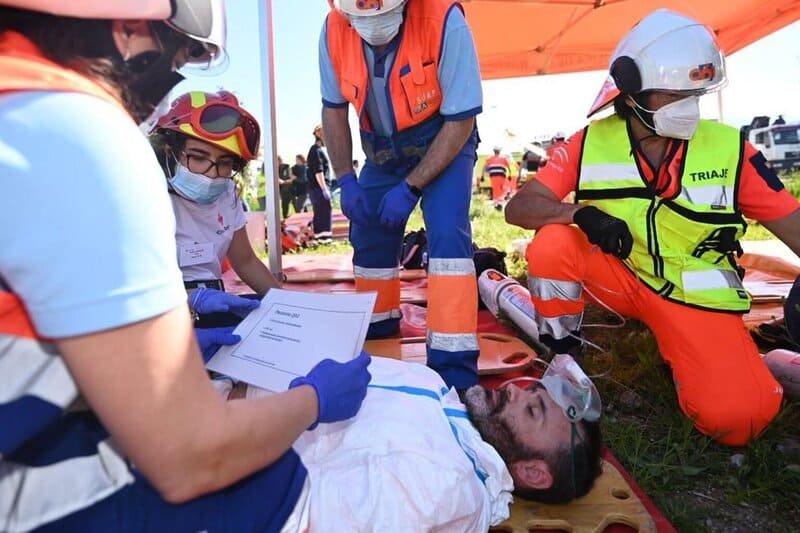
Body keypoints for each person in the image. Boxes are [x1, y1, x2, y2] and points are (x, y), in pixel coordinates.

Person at [0, 3, 372, 531]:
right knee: (272, 483)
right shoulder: (82, 136)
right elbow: (192, 456)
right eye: (177, 60)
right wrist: (313, 400)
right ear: (130, 26)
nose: (212, 174)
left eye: (224, 165)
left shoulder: (20, 102)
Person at [506, 9, 800, 447]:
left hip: (690, 293)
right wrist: (579, 214)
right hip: (616, 278)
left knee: (741, 419)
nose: (690, 106)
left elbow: (794, 226)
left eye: (696, 93)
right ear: (631, 91)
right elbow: (521, 207)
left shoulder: (730, 150)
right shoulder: (589, 142)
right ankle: (564, 354)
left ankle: (707, 357)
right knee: (552, 243)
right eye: (675, 94)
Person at [320, 0, 483, 390]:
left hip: (444, 140)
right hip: (381, 150)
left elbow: (461, 120)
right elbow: (333, 110)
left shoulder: (445, 20)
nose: (374, 26)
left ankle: (454, 369)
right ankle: (378, 332)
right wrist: (345, 178)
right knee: (368, 233)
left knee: (448, 239)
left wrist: (411, 187)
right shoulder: (333, 30)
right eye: (363, 17)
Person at [250, 353, 603, 530]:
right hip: (233, 377)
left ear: (533, 473)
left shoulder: (446, 490)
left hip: (227, 443)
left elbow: (288, 515)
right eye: (532, 391)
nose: (514, 391)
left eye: (532, 411)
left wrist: (299, 405)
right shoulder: (432, 384)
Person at [150, 90, 283, 309]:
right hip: (161, 312)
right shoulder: (146, 194)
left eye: (225, 163)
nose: (212, 174)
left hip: (212, 304)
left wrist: (287, 304)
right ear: (168, 151)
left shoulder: (227, 193)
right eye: (198, 157)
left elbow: (246, 261)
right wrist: (189, 300)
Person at [306, 124, 333, 244]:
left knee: (321, 212)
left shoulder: (316, 151)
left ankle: (322, 237)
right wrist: (324, 188)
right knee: (323, 212)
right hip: (319, 188)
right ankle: (323, 238)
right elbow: (319, 171)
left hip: (317, 188)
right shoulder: (316, 151)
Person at [482, 145, 515, 210]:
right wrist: (510, 175)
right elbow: (509, 167)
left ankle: (497, 204)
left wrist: (482, 176)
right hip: (501, 176)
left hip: (493, 176)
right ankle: (499, 203)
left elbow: (484, 167)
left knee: (496, 190)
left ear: (494, 151)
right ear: (499, 151)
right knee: (503, 189)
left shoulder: (489, 159)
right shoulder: (503, 159)